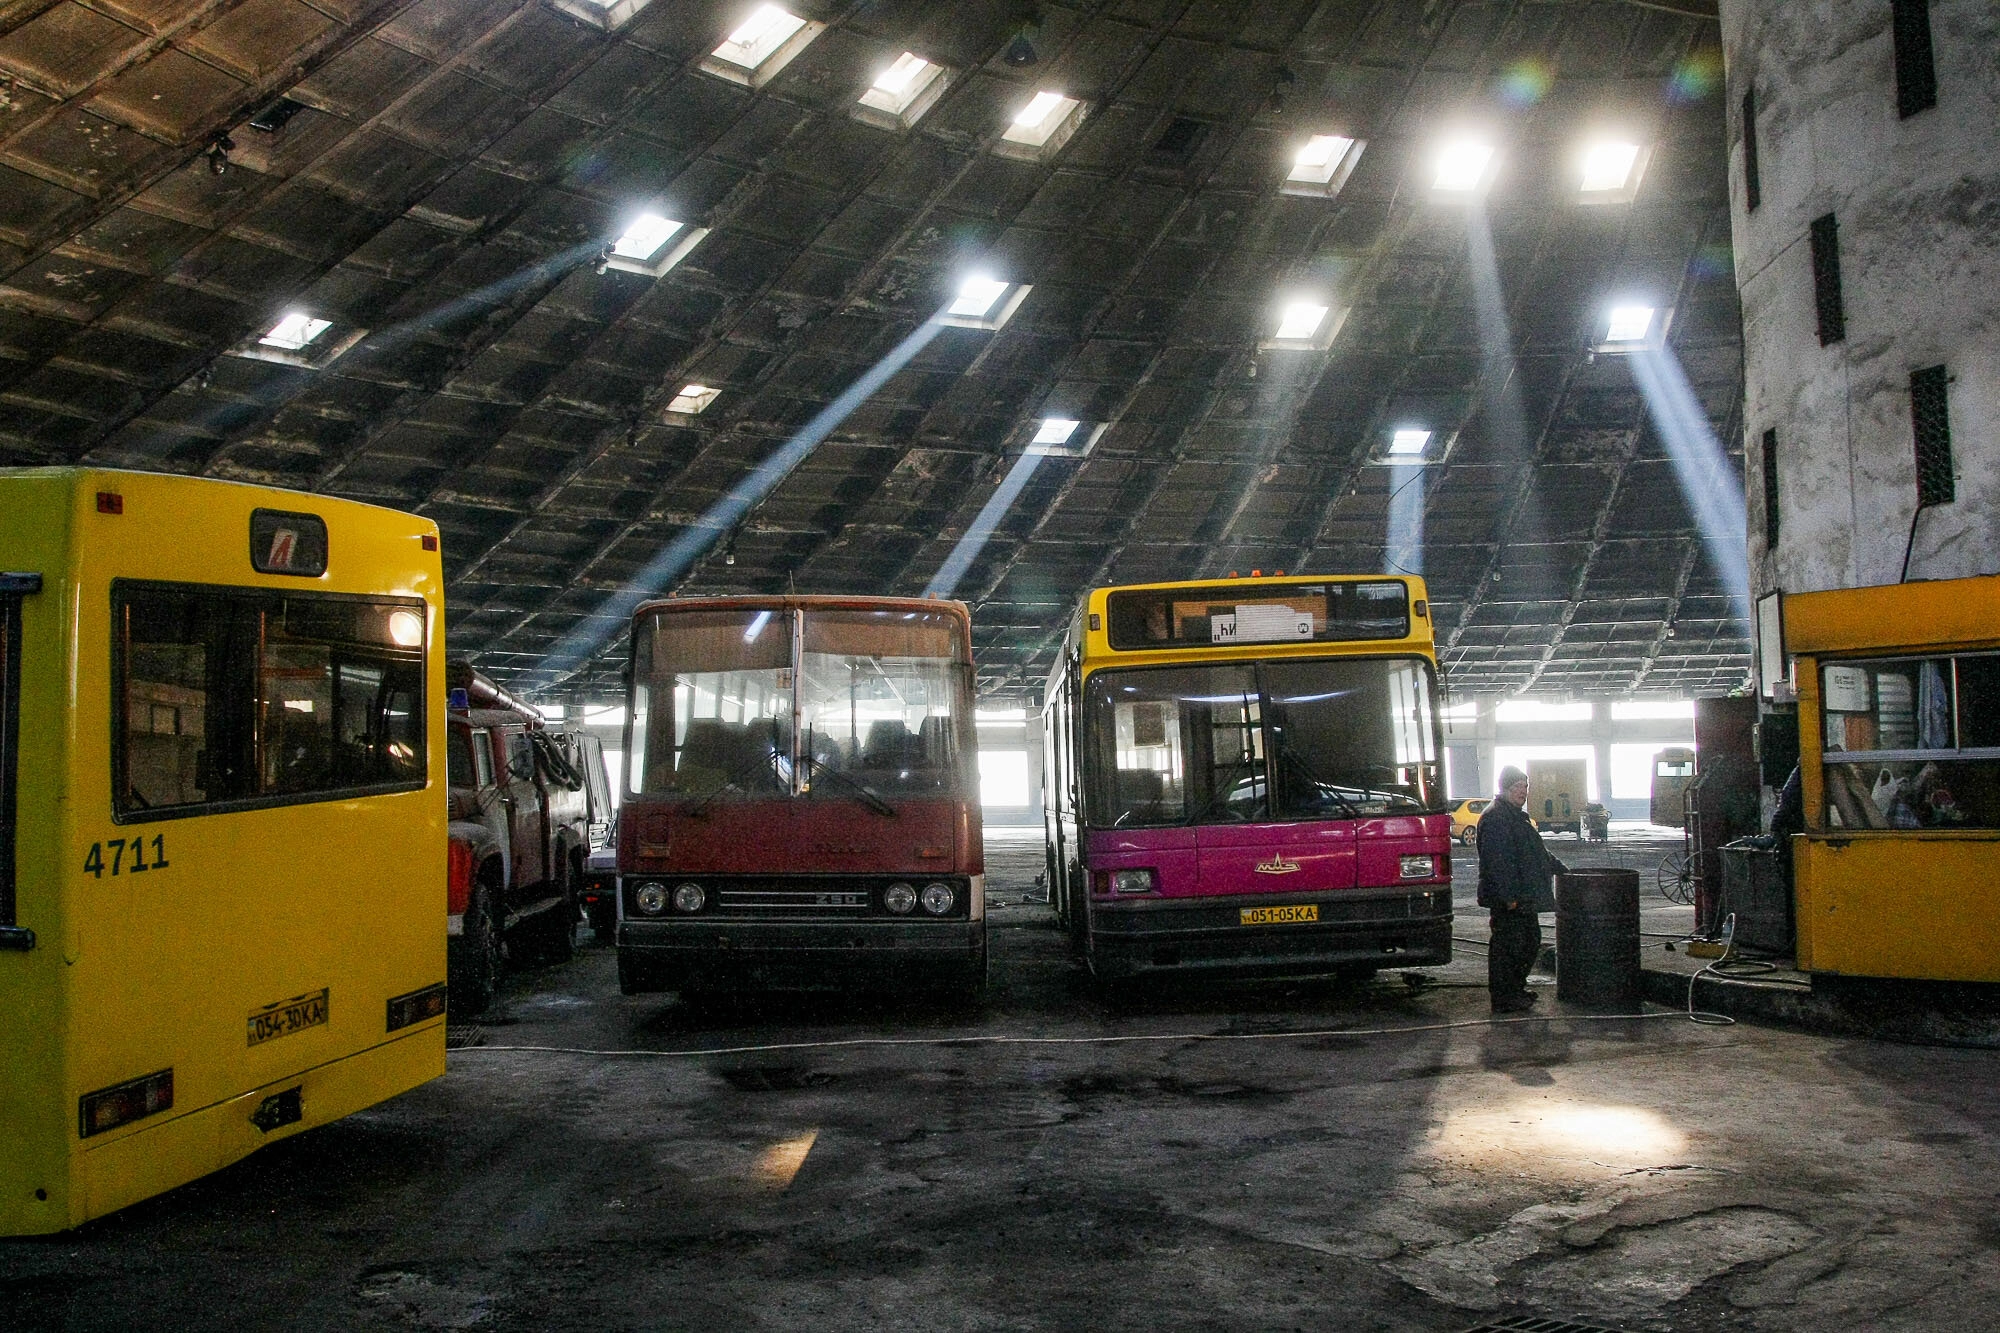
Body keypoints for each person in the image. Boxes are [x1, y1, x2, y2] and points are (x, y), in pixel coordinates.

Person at [1476, 766, 1563, 1014]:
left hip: (1524, 897)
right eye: (1517, 787)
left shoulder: (1514, 816)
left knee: (1528, 942)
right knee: (1508, 948)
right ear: (1505, 789)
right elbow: (1497, 862)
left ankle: (1514, 991)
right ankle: (1504, 998)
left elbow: (1536, 852)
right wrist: (1508, 898)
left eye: (1525, 787)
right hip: (1511, 899)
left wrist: (1562, 869)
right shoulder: (1496, 818)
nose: (1523, 792)